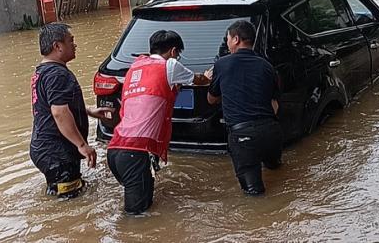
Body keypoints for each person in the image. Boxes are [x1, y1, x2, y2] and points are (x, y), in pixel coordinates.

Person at [107, 30, 211, 215]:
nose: (178, 58)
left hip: (116, 150)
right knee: (136, 218)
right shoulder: (170, 65)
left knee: (145, 207)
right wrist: (208, 76)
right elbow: (200, 80)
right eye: (178, 54)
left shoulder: (135, 67)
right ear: (173, 52)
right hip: (135, 153)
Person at [30, 23, 114, 198]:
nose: (74, 45)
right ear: (57, 46)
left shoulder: (43, 71)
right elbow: (59, 112)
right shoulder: (57, 75)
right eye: (71, 41)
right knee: (70, 204)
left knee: (66, 193)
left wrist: (89, 111)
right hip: (57, 152)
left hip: (46, 148)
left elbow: (55, 105)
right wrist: (82, 145)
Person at [207, 20, 282, 195]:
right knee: (276, 169)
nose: (227, 43)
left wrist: (209, 80)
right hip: (271, 131)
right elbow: (275, 104)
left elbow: (212, 99)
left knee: (254, 194)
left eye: (228, 39)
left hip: (243, 136)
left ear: (236, 39)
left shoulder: (222, 64)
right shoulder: (267, 66)